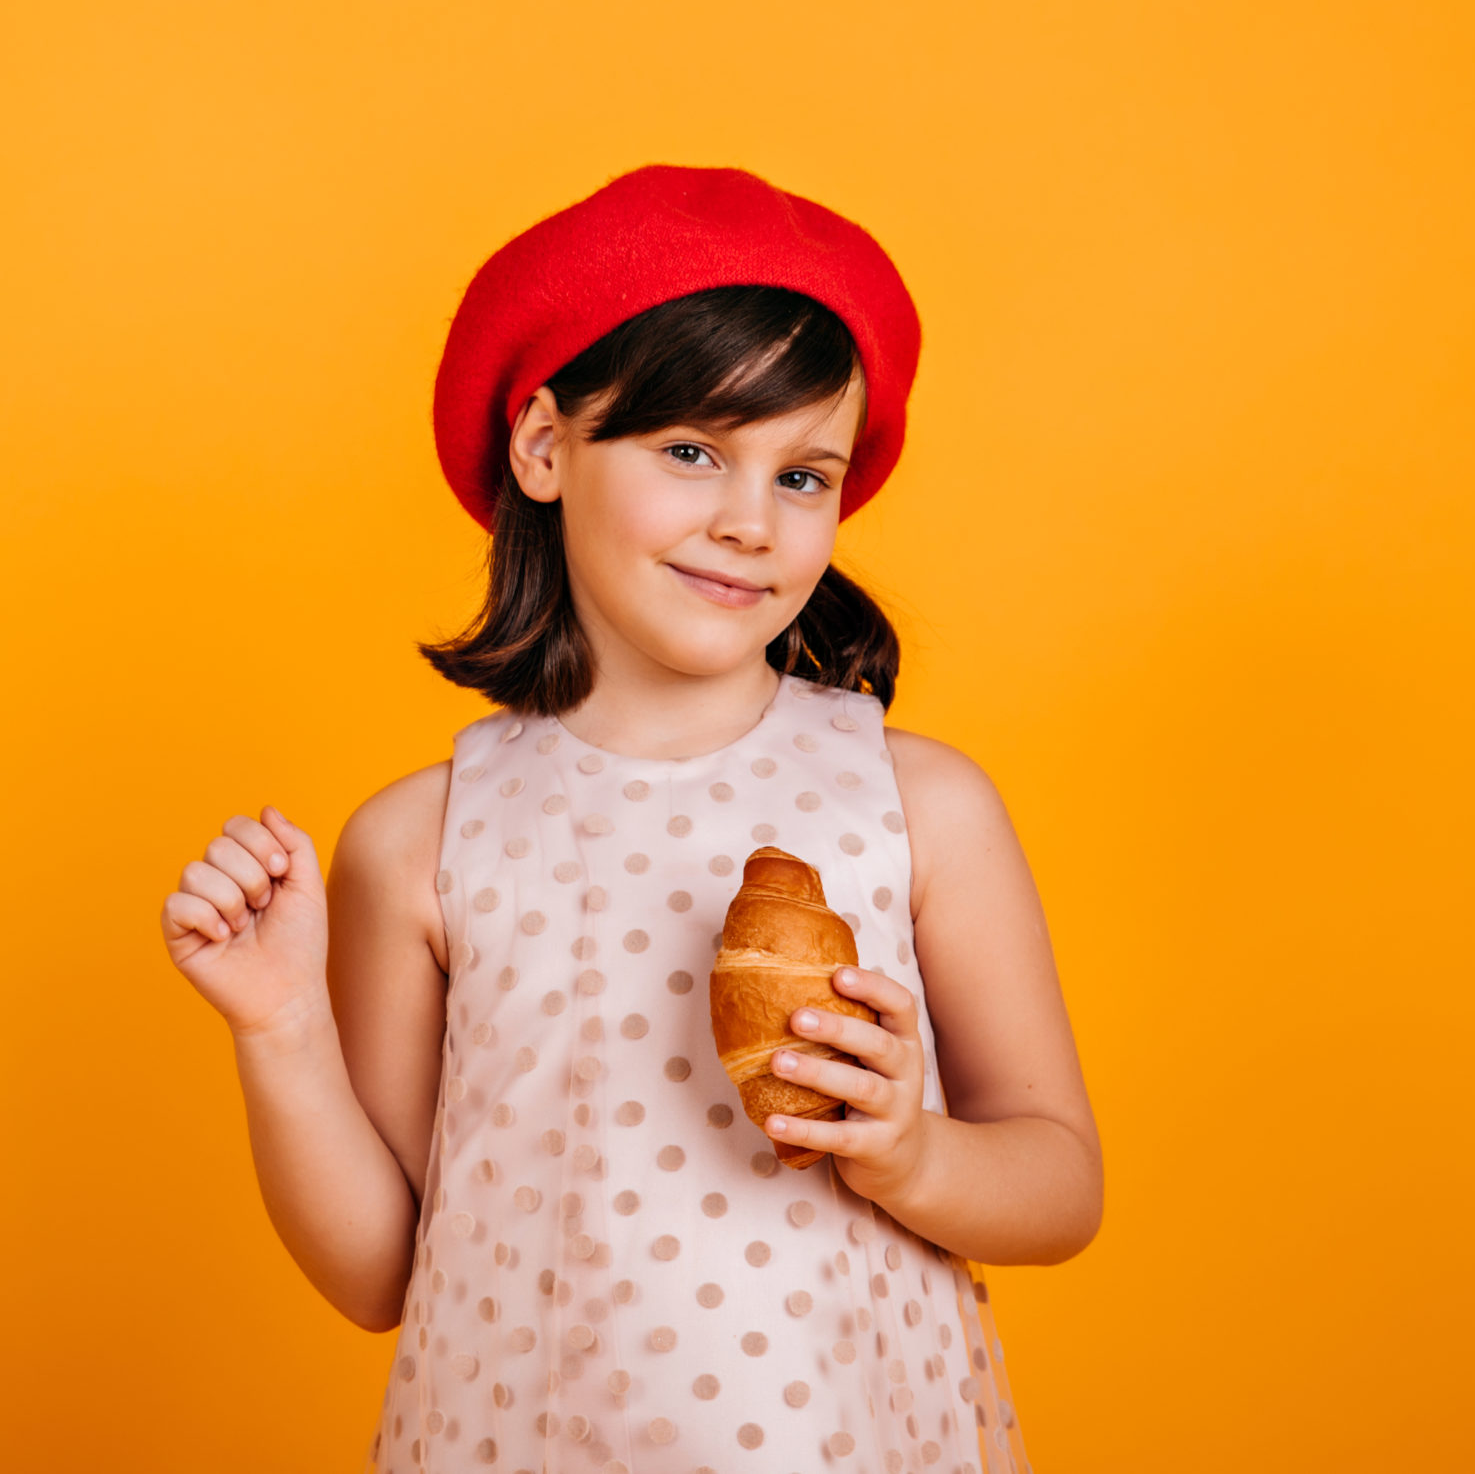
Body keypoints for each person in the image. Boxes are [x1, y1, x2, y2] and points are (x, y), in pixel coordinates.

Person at [159, 166, 1100, 1474]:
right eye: (692, 451)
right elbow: (380, 1272)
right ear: (543, 447)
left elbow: (1060, 1184)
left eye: (804, 475)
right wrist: (282, 1027)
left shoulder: (918, 806)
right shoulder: (418, 842)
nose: (747, 523)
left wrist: (910, 1152)